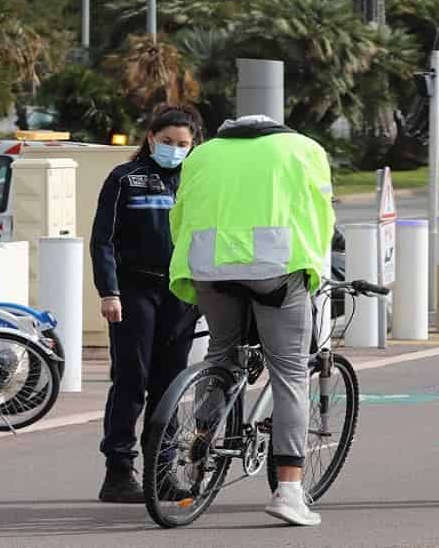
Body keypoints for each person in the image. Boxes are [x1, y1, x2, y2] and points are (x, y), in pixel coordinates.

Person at [167, 113, 334, 527]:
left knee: (221, 357)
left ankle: (199, 456)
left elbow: (179, 214)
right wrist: (316, 266)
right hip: (274, 266)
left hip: (207, 265)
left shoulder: (202, 154)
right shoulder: (302, 149)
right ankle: (290, 491)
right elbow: (319, 213)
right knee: (290, 372)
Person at [91, 104, 202, 503]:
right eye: (167, 141)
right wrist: (109, 292)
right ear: (151, 138)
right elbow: (102, 239)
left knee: (170, 386)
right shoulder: (125, 178)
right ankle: (118, 472)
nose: (174, 149)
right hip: (134, 291)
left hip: (181, 293)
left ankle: (163, 472)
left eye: (183, 144)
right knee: (131, 382)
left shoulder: (196, 179)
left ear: (194, 146)